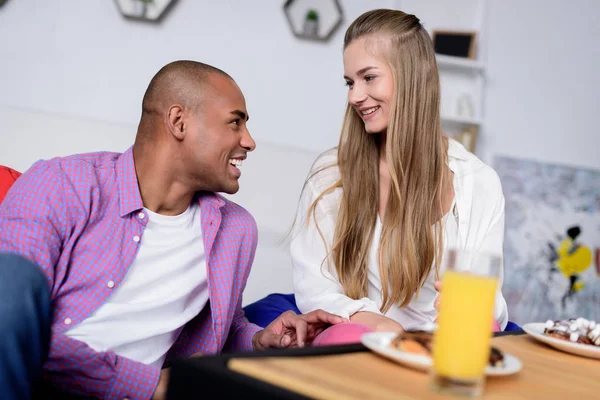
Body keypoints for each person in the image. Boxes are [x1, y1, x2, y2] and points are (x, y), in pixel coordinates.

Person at [0, 60, 345, 400]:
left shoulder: (235, 230)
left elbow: (224, 327)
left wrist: (258, 340)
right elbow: (10, 317)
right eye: (235, 122)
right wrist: (151, 385)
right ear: (179, 122)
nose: (249, 141)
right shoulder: (61, 184)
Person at [290, 9, 508, 338]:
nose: (354, 96)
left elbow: (490, 299)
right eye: (350, 82)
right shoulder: (329, 173)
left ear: (411, 77)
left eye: (369, 77)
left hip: (440, 340)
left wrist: (466, 306)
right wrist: (380, 325)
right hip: (363, 332)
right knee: (343, 335)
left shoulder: (479, 183)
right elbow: (315, 287)